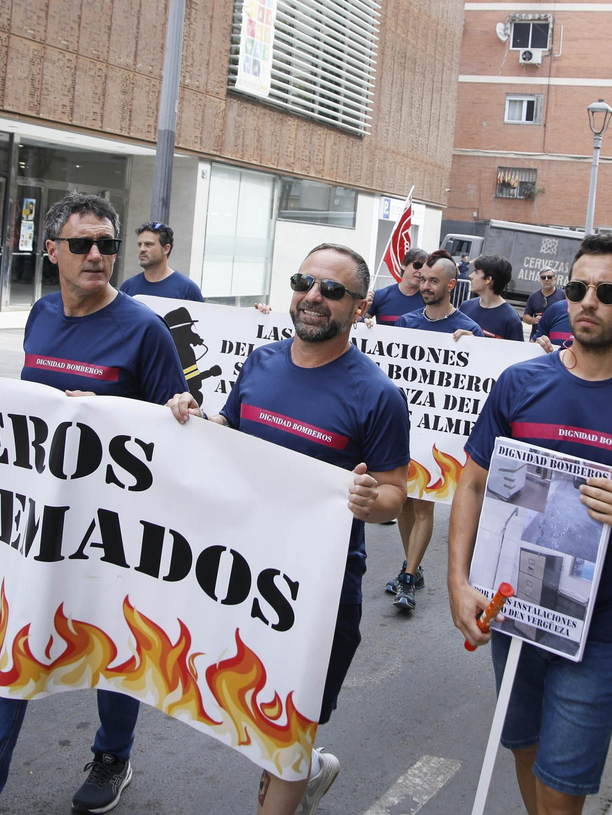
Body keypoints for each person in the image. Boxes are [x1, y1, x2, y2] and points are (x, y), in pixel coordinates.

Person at [0, 192, 188, 815]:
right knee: (8, 649)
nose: (96, 255)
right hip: (39, 522)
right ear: (51, 252)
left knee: (110, 648)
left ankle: (112, 754)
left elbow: (173, 439)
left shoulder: (144, 330)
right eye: (81, 244)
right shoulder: (42, 314)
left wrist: (183, 414)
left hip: (114, 531)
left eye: (106, 245)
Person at [447, 234, 612, 814]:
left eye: (606, 291)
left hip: (599, 630)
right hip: (514, 609)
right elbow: (472, 482)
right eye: (577, 289)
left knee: (564, 781)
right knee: (524, 745)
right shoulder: (521, 384)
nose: (587, 301)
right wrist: (458, 583)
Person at [165, 243, 409, 815]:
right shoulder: (261, 362)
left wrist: (370, 498)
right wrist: (196, 420)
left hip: (317, 592)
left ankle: (292, 775)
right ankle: (307, 770)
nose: (314, 298)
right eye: (306, 282)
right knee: (253, 705)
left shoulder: (378, 395)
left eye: (333, 291)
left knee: (292, 718)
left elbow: (395, 498)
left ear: (360, 307)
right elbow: (230, 427)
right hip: (243, 572)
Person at [386, 251, 480, 613]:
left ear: (451, 285)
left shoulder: (468, 330)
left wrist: (471, 347)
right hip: (402, 429)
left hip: (436, 437)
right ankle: (414, 565)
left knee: (424, 505)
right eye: (422, 280)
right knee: (403, 501)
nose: (424, 286)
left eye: (433, 281)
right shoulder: (407, 322)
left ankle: (408, 577)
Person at [117, 221, 204, 301]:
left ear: (166, 249)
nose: (142, 249)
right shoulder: (127, 287)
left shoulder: (188, 290)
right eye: (140, 245)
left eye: (148, 244)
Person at [460, 254, 526, 340]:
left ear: (488, 279)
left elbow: (517, 352)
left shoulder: (511, 319)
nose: (471, 276)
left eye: (476, 272)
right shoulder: (465, 307)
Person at [369, 247, 427, 325]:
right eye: (417, 265)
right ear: (403, 265)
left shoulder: (429, 301)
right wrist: (364, 318)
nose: (420, 271)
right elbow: (357, 321)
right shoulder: (380, 296)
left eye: (424, 268)